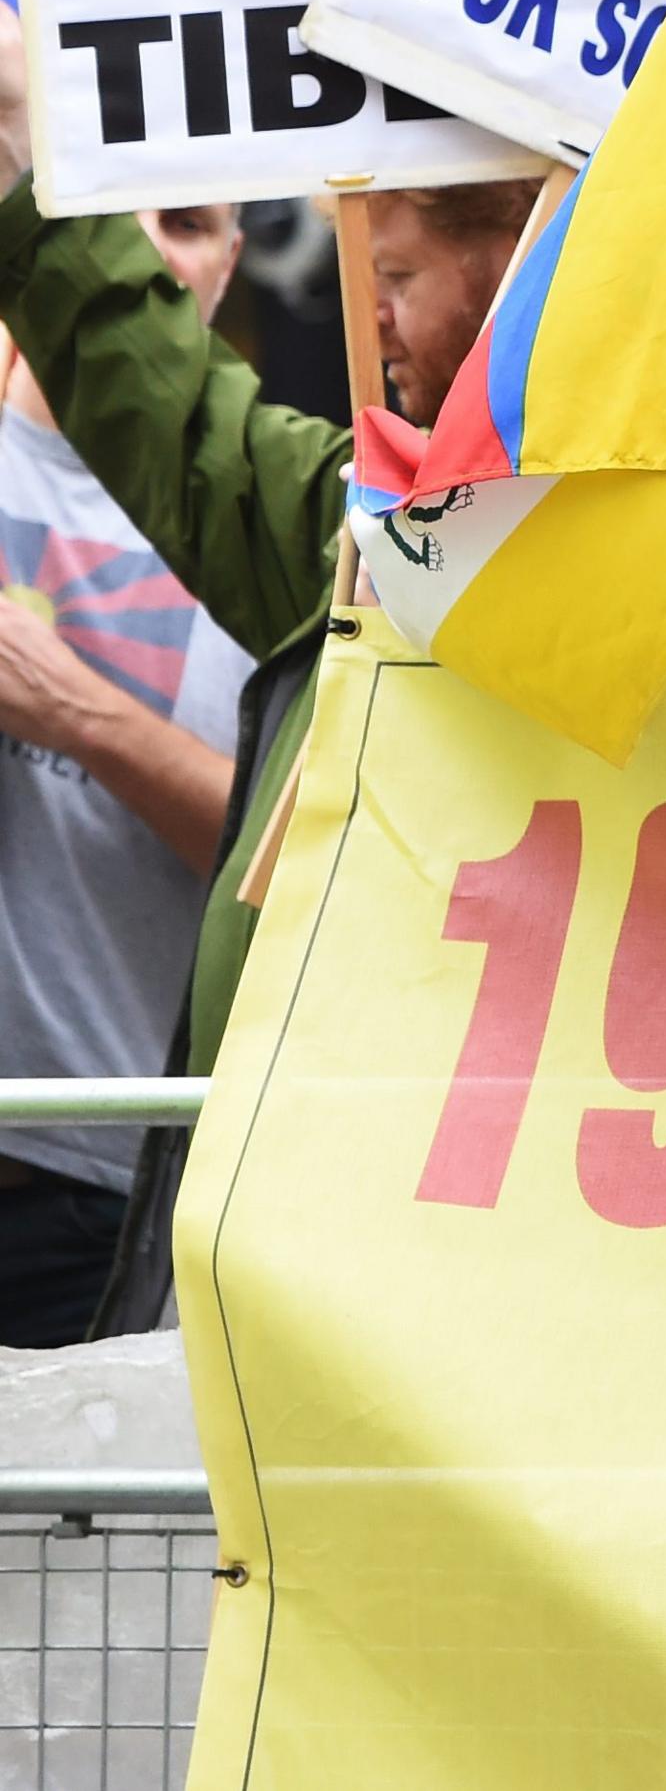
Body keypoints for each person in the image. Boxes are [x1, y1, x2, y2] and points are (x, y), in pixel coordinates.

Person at [0, 4, 666, 1328]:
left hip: (546, 1270)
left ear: (524, 270)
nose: (372, 324)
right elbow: (189, 438)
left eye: (395, 279)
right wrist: (24, 171)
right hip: (338, 1261)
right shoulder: (385, 519)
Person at [0, 196, 254, 1345]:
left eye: (191, 223)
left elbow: (291, 864)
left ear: (233, 262)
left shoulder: (281, 526)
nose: (148, 251)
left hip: (105, 1180)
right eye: (113, 214)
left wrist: (80, 714)